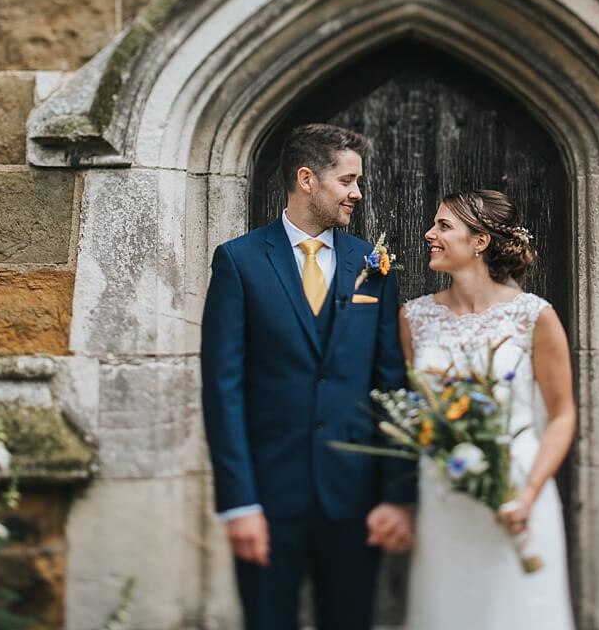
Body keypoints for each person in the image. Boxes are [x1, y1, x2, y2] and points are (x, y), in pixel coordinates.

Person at [200, 123, 416, 630]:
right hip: (269, 499)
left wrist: (398, 495)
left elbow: (392, 384)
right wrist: (239, 504)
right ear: (306, 179)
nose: (357, 193)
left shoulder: (373, 266)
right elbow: (222, 388)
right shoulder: (239, 261)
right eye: (347, 180)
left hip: (355, 502)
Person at [401, 188, 576, 629]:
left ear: (480, 241)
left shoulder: (534, 317)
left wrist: (528, 494)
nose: (429, 234)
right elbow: (412, 413)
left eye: (444, 226)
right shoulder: (414, 319)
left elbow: (561, 415)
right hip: (445, 496)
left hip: (517, 493)